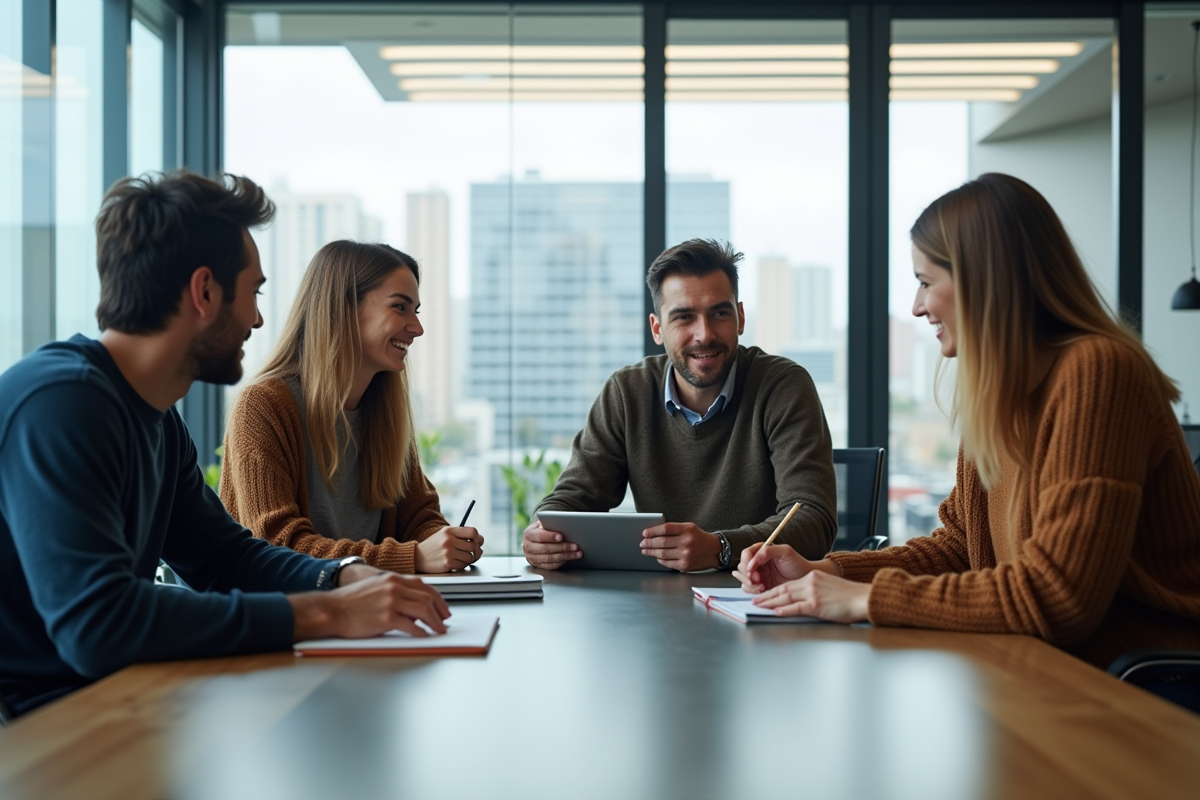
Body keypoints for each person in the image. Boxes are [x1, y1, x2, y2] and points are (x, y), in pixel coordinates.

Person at [0, 171, 451, 719]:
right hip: (38, 732)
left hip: (114, 704)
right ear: (205, 292)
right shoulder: (61, 403)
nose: (259, 320)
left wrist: (342, 577)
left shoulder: (159, 423)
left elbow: (222, 556)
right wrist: (327, 613)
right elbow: (98, 625)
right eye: (254, 294)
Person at [736, 173, 1200, 667]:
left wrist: (864, 601)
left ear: (985, 281)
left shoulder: (1099, 373)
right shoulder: (1001, 394)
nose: (916, 307)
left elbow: (1059, 597)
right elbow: (962, 548)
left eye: (925, 282)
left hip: (1146, 687)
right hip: (1045, 672)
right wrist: (825, 572)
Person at [524, 238, 837, 572]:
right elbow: (574, 497)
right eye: (684, 317)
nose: (704, 334)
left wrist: (720, 548)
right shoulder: (627, 392)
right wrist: (540, 535)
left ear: (741, 318)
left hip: (758, 597)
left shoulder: (782, 386)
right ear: (657, 329)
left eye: (719, 313)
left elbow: (814, 520)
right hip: (658, 601)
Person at [220, 241, 482, 573]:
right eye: (400, 308)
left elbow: (419, 516)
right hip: (285, 619)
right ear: (342, 308)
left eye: (415, 311)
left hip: (365, 612)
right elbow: (278, 546)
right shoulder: (263, 406)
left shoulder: (385, 412)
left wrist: (444, 542)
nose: (417, 328)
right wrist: (413, 557)